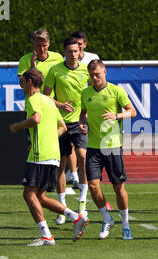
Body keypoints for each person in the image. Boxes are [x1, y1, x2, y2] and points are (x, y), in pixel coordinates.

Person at [10, 68, 89, 246]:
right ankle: (75, 217)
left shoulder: (33, 99)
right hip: (53, 154)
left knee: (28, 194)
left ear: (30, 82)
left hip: (39, 154)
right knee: (41, 197)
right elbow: (62, 127)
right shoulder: (48, 101)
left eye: (22, 81)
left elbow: (36, 119)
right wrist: (49, 137)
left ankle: (46, 235)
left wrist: (18, 126)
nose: (20, 84)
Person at [80, 60, 137, 240]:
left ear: (105, 72)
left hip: (112, 146)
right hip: (93, 147)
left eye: (97, 74)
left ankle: (126, 225)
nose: (95, 78)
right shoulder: (86, 93)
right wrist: (83, 122)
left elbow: (132, 111)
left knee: (118, 187)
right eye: (91, 75)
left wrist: (117, 115)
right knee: (93, 185)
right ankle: (107, 219)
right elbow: (83, 112)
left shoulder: (116, 91)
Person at [44, 37, 90, 224]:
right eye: (70, 51)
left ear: (80, 51)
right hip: (60, 123)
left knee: (83, 157)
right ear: (64, 52)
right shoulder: (55, 71)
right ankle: (62, 209)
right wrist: (60, 105)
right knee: (60, 165)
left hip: (80, 123)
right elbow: (46, 96)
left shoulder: (87, 71)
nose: (73, 54)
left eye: (76, 51)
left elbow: (94, 94)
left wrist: (87, 117)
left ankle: (82, 204)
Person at [65, 30, 101, 186]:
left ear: (84, 45)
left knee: (85, 150)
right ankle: (74, 176)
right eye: (73, 47)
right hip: (68, 113)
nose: (75, 51)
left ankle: (84, 177)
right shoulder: (63, 63)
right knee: (70, 147)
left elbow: (95, 84)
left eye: (79, 46)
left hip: (84, 111)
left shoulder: (92, 59)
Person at [17, 28, 63, 97]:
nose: (42, 49)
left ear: (49, 44)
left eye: (44, 45)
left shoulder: (58, 58)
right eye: (39, 46)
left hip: (52, 103)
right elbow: (22, 85)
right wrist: (33, 68)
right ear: (33, 44)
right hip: (33, 102)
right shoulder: (25, 60)